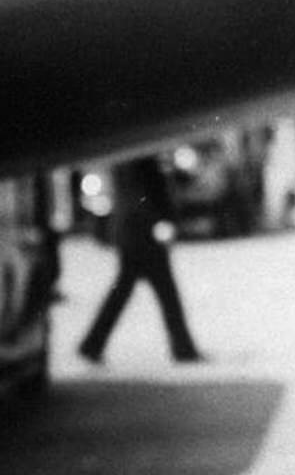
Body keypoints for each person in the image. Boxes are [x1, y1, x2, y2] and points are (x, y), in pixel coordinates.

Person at [77, 154, 204, 364]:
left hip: (133, 231)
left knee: (127, 292)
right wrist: (161, 219)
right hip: (142, 233)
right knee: (164, 292)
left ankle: (93, 343)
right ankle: (183, 348)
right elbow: (148, 192)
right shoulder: (141, 155)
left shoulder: (131, 153)